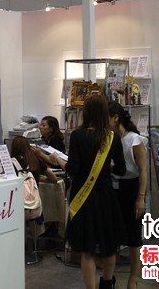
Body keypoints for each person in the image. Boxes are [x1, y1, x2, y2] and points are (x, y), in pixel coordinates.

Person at [64, 95, 126, 289]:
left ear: (86, 113)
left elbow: (73, 169)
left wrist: (60, 162)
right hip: (106, 197)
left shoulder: (77, 136)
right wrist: (106, 168)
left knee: (87, 249)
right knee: (109, 246)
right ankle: (107, 284)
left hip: (83, 198)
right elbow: (121, 170)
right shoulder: (113, 137)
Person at [109, 101, 147, 289]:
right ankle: (109, 276)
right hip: (112, 188)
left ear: (116, 118)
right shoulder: (108, 138)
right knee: (112, 235)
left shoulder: (134, 140)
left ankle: (133, 277)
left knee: (133, 236)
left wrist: (141, 197)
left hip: (131, 188)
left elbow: (143, 170)